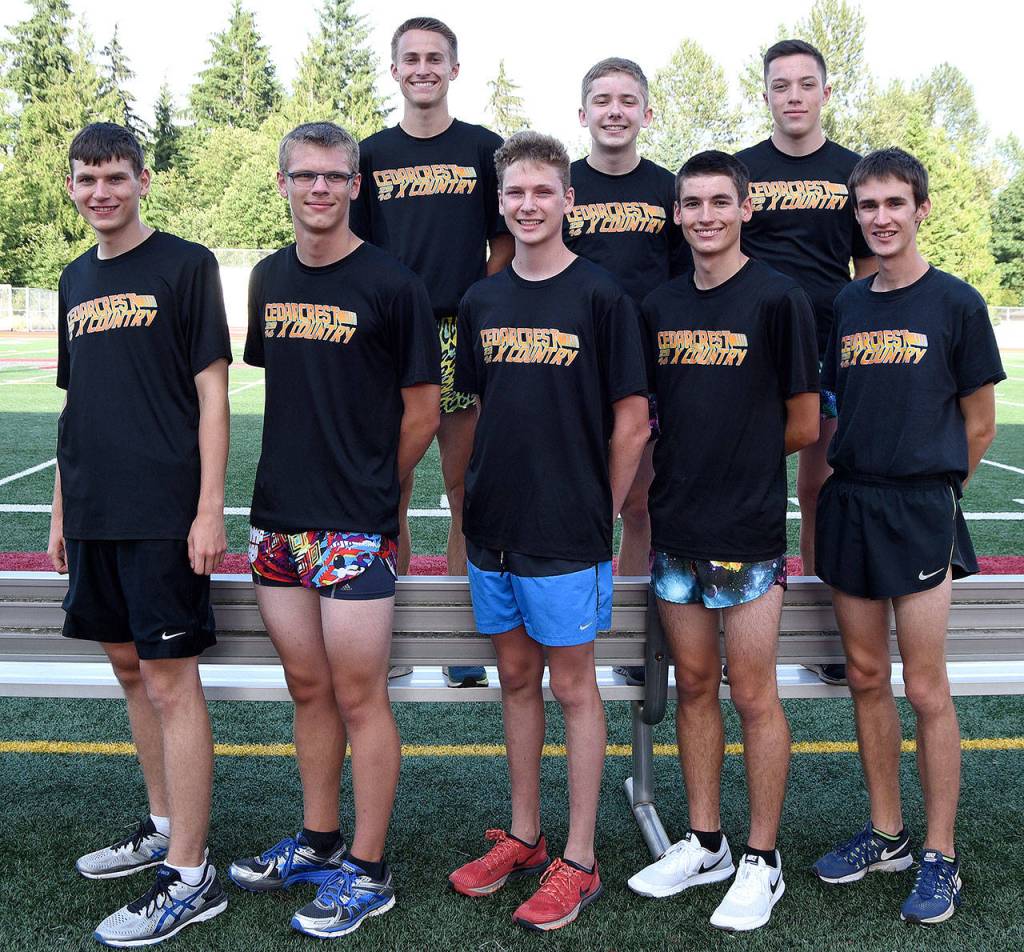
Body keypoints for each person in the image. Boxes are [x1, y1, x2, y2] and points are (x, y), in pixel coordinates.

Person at [228, 122, 440, 938]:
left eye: (335, 176)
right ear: (282, 183)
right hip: (278, 520)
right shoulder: (269, 278)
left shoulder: (393, 283)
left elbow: (423, 408)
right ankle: (319, 840)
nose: (319, 188)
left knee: (359, 697)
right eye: (304, 175)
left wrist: (376, 490)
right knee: (308, 690)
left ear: (358, 185)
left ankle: (369, 866)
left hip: (354, 527)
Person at [447, 131, 649, 931]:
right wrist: (468, 502)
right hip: (494, 526)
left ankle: (581, 858)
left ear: (569, 201)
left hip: (564, 531)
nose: (528, 206)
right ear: (501, 203)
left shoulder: (601, 297)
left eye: (543, 192)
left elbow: (631, 422)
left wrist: (591, 504)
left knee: (573, 687)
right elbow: (479, 409)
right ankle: (526, 836)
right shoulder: (481, 299)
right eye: (515, 194)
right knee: (517, 682)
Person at [627, 150, 819, 932]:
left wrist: (732, 463)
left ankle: (761, 859)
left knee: (753, 694)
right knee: (696, 688)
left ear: (745, 209)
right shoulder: (659, 304)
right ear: (678, 215)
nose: (705, 215)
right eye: (692, 204)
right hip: (675, 530)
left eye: (719, 202)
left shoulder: (780, 299)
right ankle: (704, 840)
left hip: (747, 532)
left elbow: (804, 423)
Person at [50, 122, 231, 947]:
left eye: (115, 177)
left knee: (169, 682)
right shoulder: (72, 277)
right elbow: (74, 399)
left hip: (163, 511)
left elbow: (212, 393)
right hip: (91, 510)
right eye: (87, 180)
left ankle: (191, 875)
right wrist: (60, 507)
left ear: (143, 180)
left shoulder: (185, 265)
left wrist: (207, 506)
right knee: (130, 671)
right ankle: (163, 825)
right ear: (72, 187)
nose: (101, 193)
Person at [811, 148, 1003, 925]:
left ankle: (939, 853)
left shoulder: (956, 303)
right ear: (855, 215)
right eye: (868, 206)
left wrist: (932, 491)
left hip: (919, 508)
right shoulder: (846, 306)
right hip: (852, 505)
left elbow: (980, 423)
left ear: (921, 208)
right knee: (863, 675)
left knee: (924, 686)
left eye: (895, 203)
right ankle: (886, 831)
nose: (881, 217)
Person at [351, 18, 513, 688]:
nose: (422, 68)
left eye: (434, 58)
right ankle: (383, 632)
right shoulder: (368, 154)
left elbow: (504, 240)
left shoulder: (484, 148)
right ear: (394, 71)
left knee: (464, 492)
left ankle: (458, 639)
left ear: (453, 68)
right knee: (385, 487)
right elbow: (352, 252)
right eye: (410, 59)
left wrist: (476, 305)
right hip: (388, 336)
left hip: (457, 332)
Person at [736, 39, 875, 686]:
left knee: (821, 490)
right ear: (764, 94)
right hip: (755, 353)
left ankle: (822, 631)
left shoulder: (854, 172)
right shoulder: (740, 171)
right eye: (780, 85)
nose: (793, 96)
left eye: (804, 84)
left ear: (825, 91)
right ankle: (739, 624)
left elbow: (870, 268)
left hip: (831, 349)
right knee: (742, 487)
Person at [566, 56, 692, 686]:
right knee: (566, 496)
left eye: (627, 100)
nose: (614, 111)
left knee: (638, 503)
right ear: (582, 112)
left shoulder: (670, 189)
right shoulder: (561, 186)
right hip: (568, 365)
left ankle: (632, 643)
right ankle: (565, 630)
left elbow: (683, 279)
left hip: (644, 367)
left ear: (647, 112)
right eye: (602, 100)